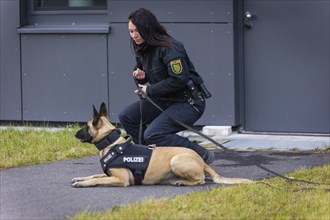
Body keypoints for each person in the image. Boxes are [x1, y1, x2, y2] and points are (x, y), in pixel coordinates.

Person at [118, 8, 214, 164]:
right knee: (126, 116)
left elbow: (179, 79)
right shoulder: (142, 47)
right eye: (130, 31)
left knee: (153, 133)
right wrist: (141, 78)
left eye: (137, 31)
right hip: (164, 99)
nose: (134, 35)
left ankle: (200, 154)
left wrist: (149, 89)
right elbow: (148, 76)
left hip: (188, 102)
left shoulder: (170, 48)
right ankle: (148, 159)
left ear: (147, 29)